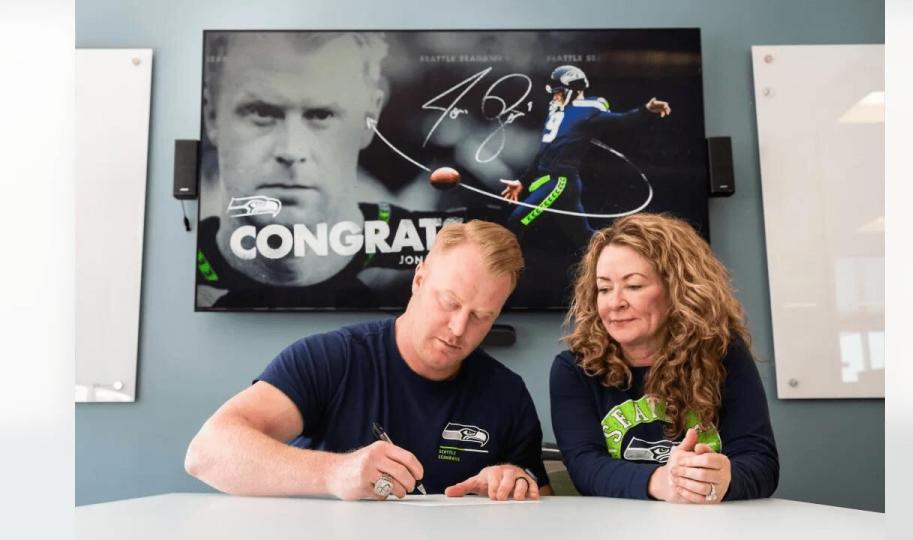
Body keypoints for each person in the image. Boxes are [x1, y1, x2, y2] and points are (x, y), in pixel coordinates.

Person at [186, 220, 552, 500]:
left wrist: (513, 485)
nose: (458, 328)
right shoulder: (332, 359)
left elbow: (542, 503)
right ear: (419, 280)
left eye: (480, 316)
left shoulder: (506, 393)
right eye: (450, 303)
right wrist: (335, 472)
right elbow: (208, 452)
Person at [197, 31, 468, 309]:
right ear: (211, 115)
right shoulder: (184, 246)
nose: (292, 150)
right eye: (261, 112)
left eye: (321, 114)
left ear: (369, 117)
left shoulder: (397, 260)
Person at [549, 213, 778, 502]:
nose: (615, 302)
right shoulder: (574, 369)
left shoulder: (722, 352)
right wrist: (663, 481)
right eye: (604, 288)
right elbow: (585, 466)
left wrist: (724, 477)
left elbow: (761, 462)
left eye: (634, 286)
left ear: (677, 290)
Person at [500, 65, 672, 248]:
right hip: (552, 181)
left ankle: (508, 272)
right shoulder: (557, 111)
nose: (555, 96)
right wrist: (522, 182)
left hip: (560, 183)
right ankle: (625, 252)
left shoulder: (588, 109)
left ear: (574, 90)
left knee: (517, 221)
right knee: (586, 239)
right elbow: (543, 153)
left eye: (559, 91)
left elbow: (622, 120)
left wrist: (646, 109)